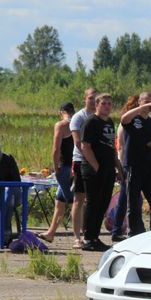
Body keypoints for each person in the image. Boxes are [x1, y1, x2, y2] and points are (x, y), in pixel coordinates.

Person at [80, 93, 120, 251]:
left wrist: (118, 167)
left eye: (110, 104)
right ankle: (88, 238)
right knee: (93, 203)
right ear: (96, 105)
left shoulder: (109, 122)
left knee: (103, 203)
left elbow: (112, 147)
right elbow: (85, 146)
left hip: (109, 168)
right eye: (104, 103)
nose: (107, 106)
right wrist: (96, 166)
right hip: (93, 169)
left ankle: (95, 237)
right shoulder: (91, 122)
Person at [121, 92, 151, 235]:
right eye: (146, 101)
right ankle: (134, 232)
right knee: (133, 203)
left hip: (150, 166)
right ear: (139, 102)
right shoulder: (134, 119)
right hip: (134, 165)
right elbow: (123, 119)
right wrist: (141, 108)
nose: (150, 104)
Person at [38, 102, 76, 243]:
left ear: (61, 112)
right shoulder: (79, 123)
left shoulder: (61, 125)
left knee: (73, 202)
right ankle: (51, 233)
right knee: (60, 202)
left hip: (64, 167)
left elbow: (56, 149)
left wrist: (55, 167)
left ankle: (82, 236)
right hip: (75, 166)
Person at [69, 87, 98, 248]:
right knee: (79, 198)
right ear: (85, 99)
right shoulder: (78, 117)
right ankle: (77, 236)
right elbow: (78, 143)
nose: (94, 101)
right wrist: (91, 159)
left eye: (96, 98)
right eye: (91, 98)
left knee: (93, 199)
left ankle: (90, 233)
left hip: (96, 161)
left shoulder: (99, 117)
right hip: (81, 161)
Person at [110, 95, 140, 242]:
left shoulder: (138, 124)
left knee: (127, 198)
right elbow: (120, 146)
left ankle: (119, 228)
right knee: (124, 199)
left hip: (134, 164)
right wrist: (121, 167)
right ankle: (117, 229)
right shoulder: (124, 124)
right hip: (125, 165)